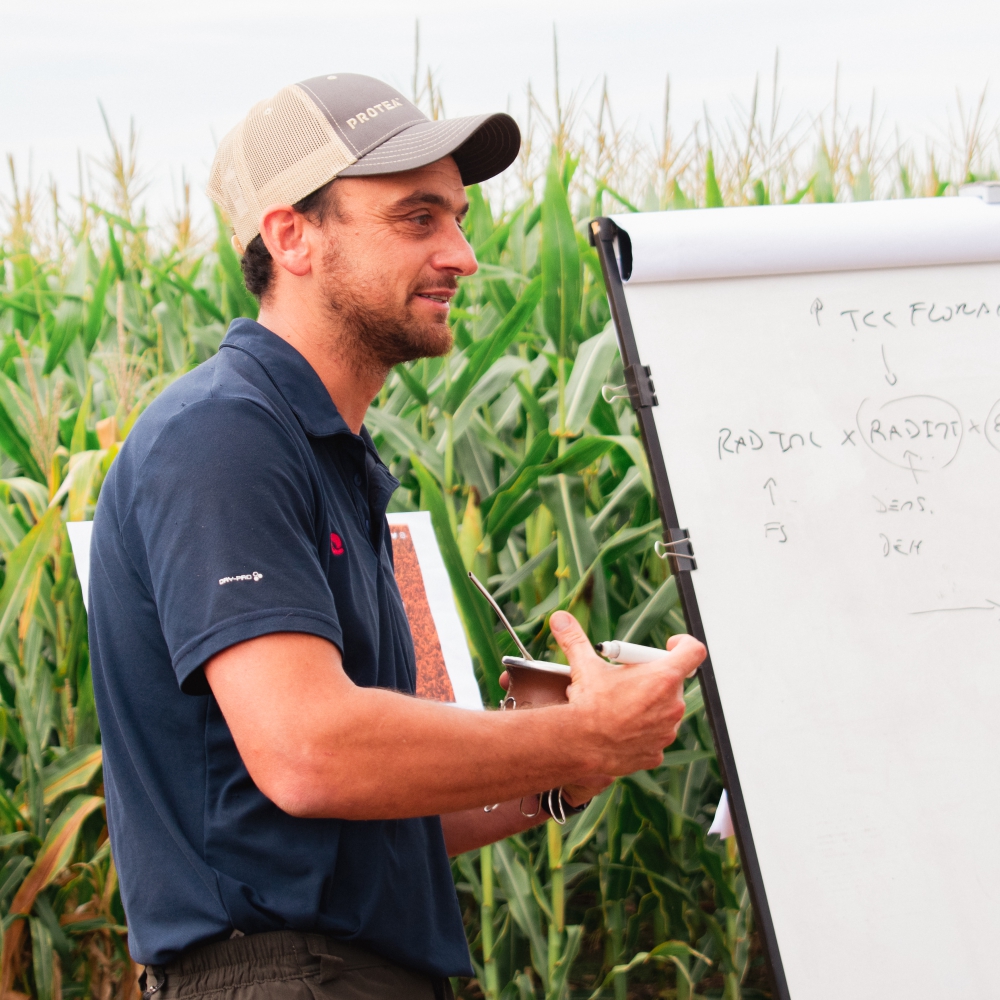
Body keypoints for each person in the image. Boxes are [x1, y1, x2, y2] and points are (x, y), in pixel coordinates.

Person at [88, 73, 706, 1000]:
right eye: (417, 218)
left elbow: (365, 813)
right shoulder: (224, 436)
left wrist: (563, 768)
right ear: (290, 234)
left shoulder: (326, 455)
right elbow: (310, 752)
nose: (461, 253)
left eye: (459, 218)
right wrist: (581, 737)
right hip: (282, 976)